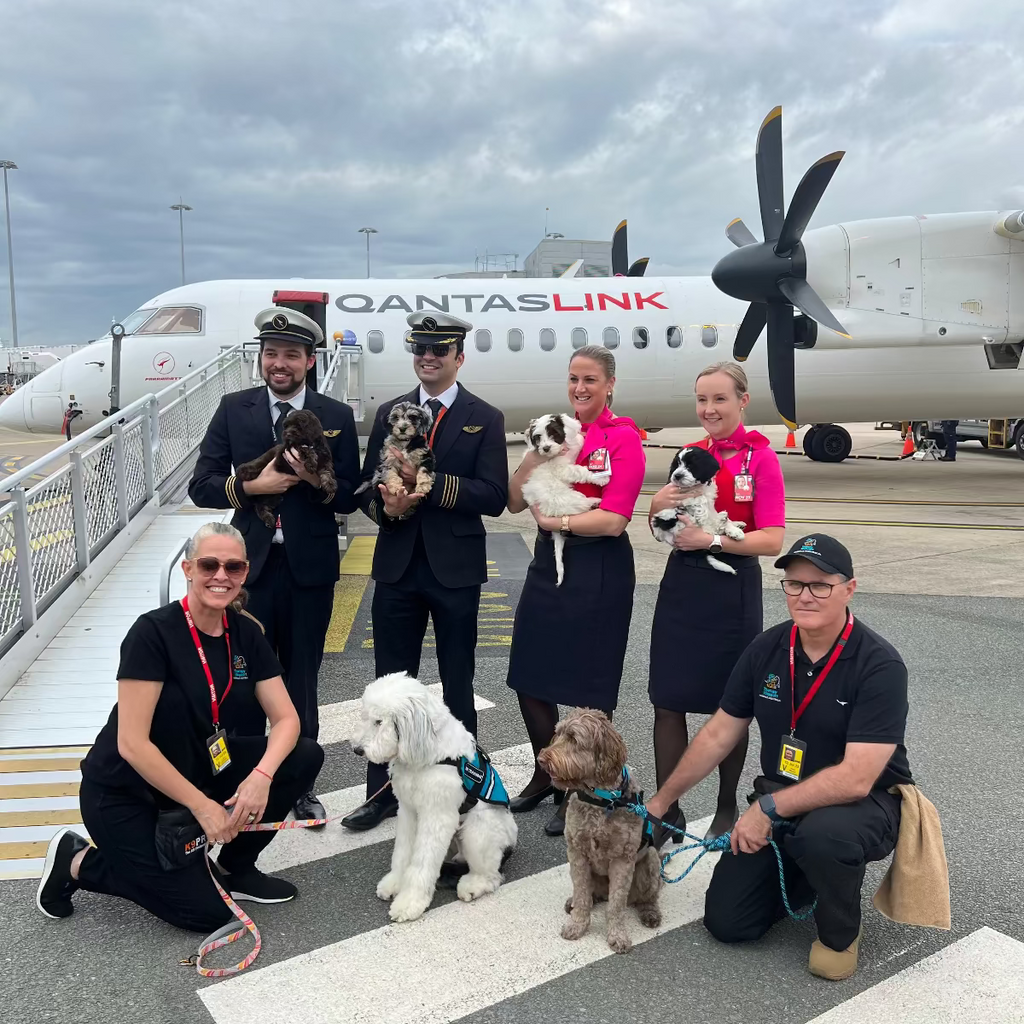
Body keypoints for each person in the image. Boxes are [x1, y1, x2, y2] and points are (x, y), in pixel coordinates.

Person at [647, 534, 912, 981]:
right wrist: (660, 803)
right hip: (783, 793)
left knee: (825, 838)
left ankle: (840, 931)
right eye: (794, 584)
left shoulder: (879, 664)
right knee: (728, 922)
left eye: (820, 585)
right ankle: (804, 871)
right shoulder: (767, 648)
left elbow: (856, 778)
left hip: (862, 804)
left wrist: (766, 809)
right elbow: (718, 734)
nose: (804, 596)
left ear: (849, 589)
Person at [35, 522, 324, 930]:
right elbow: (132, 744)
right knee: (207, 914)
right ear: (188, 569)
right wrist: (204, 808)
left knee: (302, 754)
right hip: (126, 791)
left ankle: (237, 867)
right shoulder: (152, 633)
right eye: (209, 565)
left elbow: (287, 719)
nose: (221, 576)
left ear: (245, 572)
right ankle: (78, 862)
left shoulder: (244, 633)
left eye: (233, 567)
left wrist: (261, 777)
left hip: (198, 766)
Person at [188, 307, 360, 823]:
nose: (279, 363)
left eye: (290, 355)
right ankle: (243, 778)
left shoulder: (335, 414)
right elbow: (202, 484)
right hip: (247, 571)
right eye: (271, 354)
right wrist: (253, 487)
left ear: (310, 361)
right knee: (242, 676)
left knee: (302, 676)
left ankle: (299, 782)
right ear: (261, 359)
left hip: (309, 569)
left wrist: (311, 479)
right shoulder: (233, 408)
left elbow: (349, 495)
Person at [341, 311, 508, 831]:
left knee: (458, 682)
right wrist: (387, 509)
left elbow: (494, 495)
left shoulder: (484, 417)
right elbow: (367, 487)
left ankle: (466, 787)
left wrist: (428, 485)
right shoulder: (390, 412)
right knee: (389, 686)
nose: (428, 357)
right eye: (421, 349)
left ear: (459, 356)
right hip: (397, 567)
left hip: (455, 569)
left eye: (439, 349)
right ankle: (383, 793)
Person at [505, 345, 646, 837]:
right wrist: (530, 455)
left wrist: (557, 522)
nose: (579, 388)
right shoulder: (556, 429)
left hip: (599, 566)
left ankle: (582, 788)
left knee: (590, 687)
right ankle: (548, 773)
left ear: (609, 384)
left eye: (589, 380)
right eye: (573, 379)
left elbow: (614, 519)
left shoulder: (622, 438)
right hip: (550, 562)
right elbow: (513, 502)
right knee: (529, 675)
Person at [647, 361, 786, 840]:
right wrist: (655, 506)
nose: (709, 409)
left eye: (719, 399)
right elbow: (659, 519)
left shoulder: (760, 459)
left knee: (730, 707)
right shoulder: (691, 454)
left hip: (731, 589)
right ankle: (667, 809)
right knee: (667, 701)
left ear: (742, 401)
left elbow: (772, 540)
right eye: (702, 399)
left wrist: (711, 540)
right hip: (683, 584)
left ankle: (726, 806)